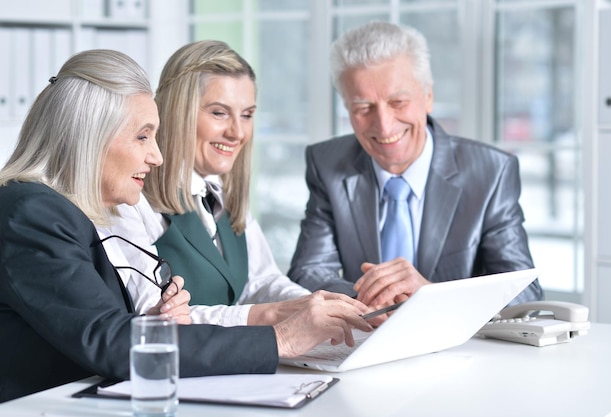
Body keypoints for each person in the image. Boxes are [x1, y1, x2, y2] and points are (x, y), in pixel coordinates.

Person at [0, 49, 371, 403]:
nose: (156, 155)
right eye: (142, 136)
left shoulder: (65, 212)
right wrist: (279, 339)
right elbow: (108, 341)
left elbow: (100, 327)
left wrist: (154, 322)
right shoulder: (32, 213)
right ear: (89, 136)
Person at [104, 40, 374, 327]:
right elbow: (155, 317)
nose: (237, 132)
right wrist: (266, 314)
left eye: (247, 115)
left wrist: (313, 302)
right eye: (219, 113)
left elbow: (260, 281)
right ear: (177, 112)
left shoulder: (222, 194)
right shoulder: (132, 198)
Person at [288, 21, 544, 310]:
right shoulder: (327, 164)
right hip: (369, 341)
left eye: (398, 102)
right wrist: (377, 299)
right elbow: (306, 272)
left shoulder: (491, 172)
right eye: (363, 108)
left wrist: (429, 295)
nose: (384, 126)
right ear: (348, 109)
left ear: (428, 97)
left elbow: (524, 293)